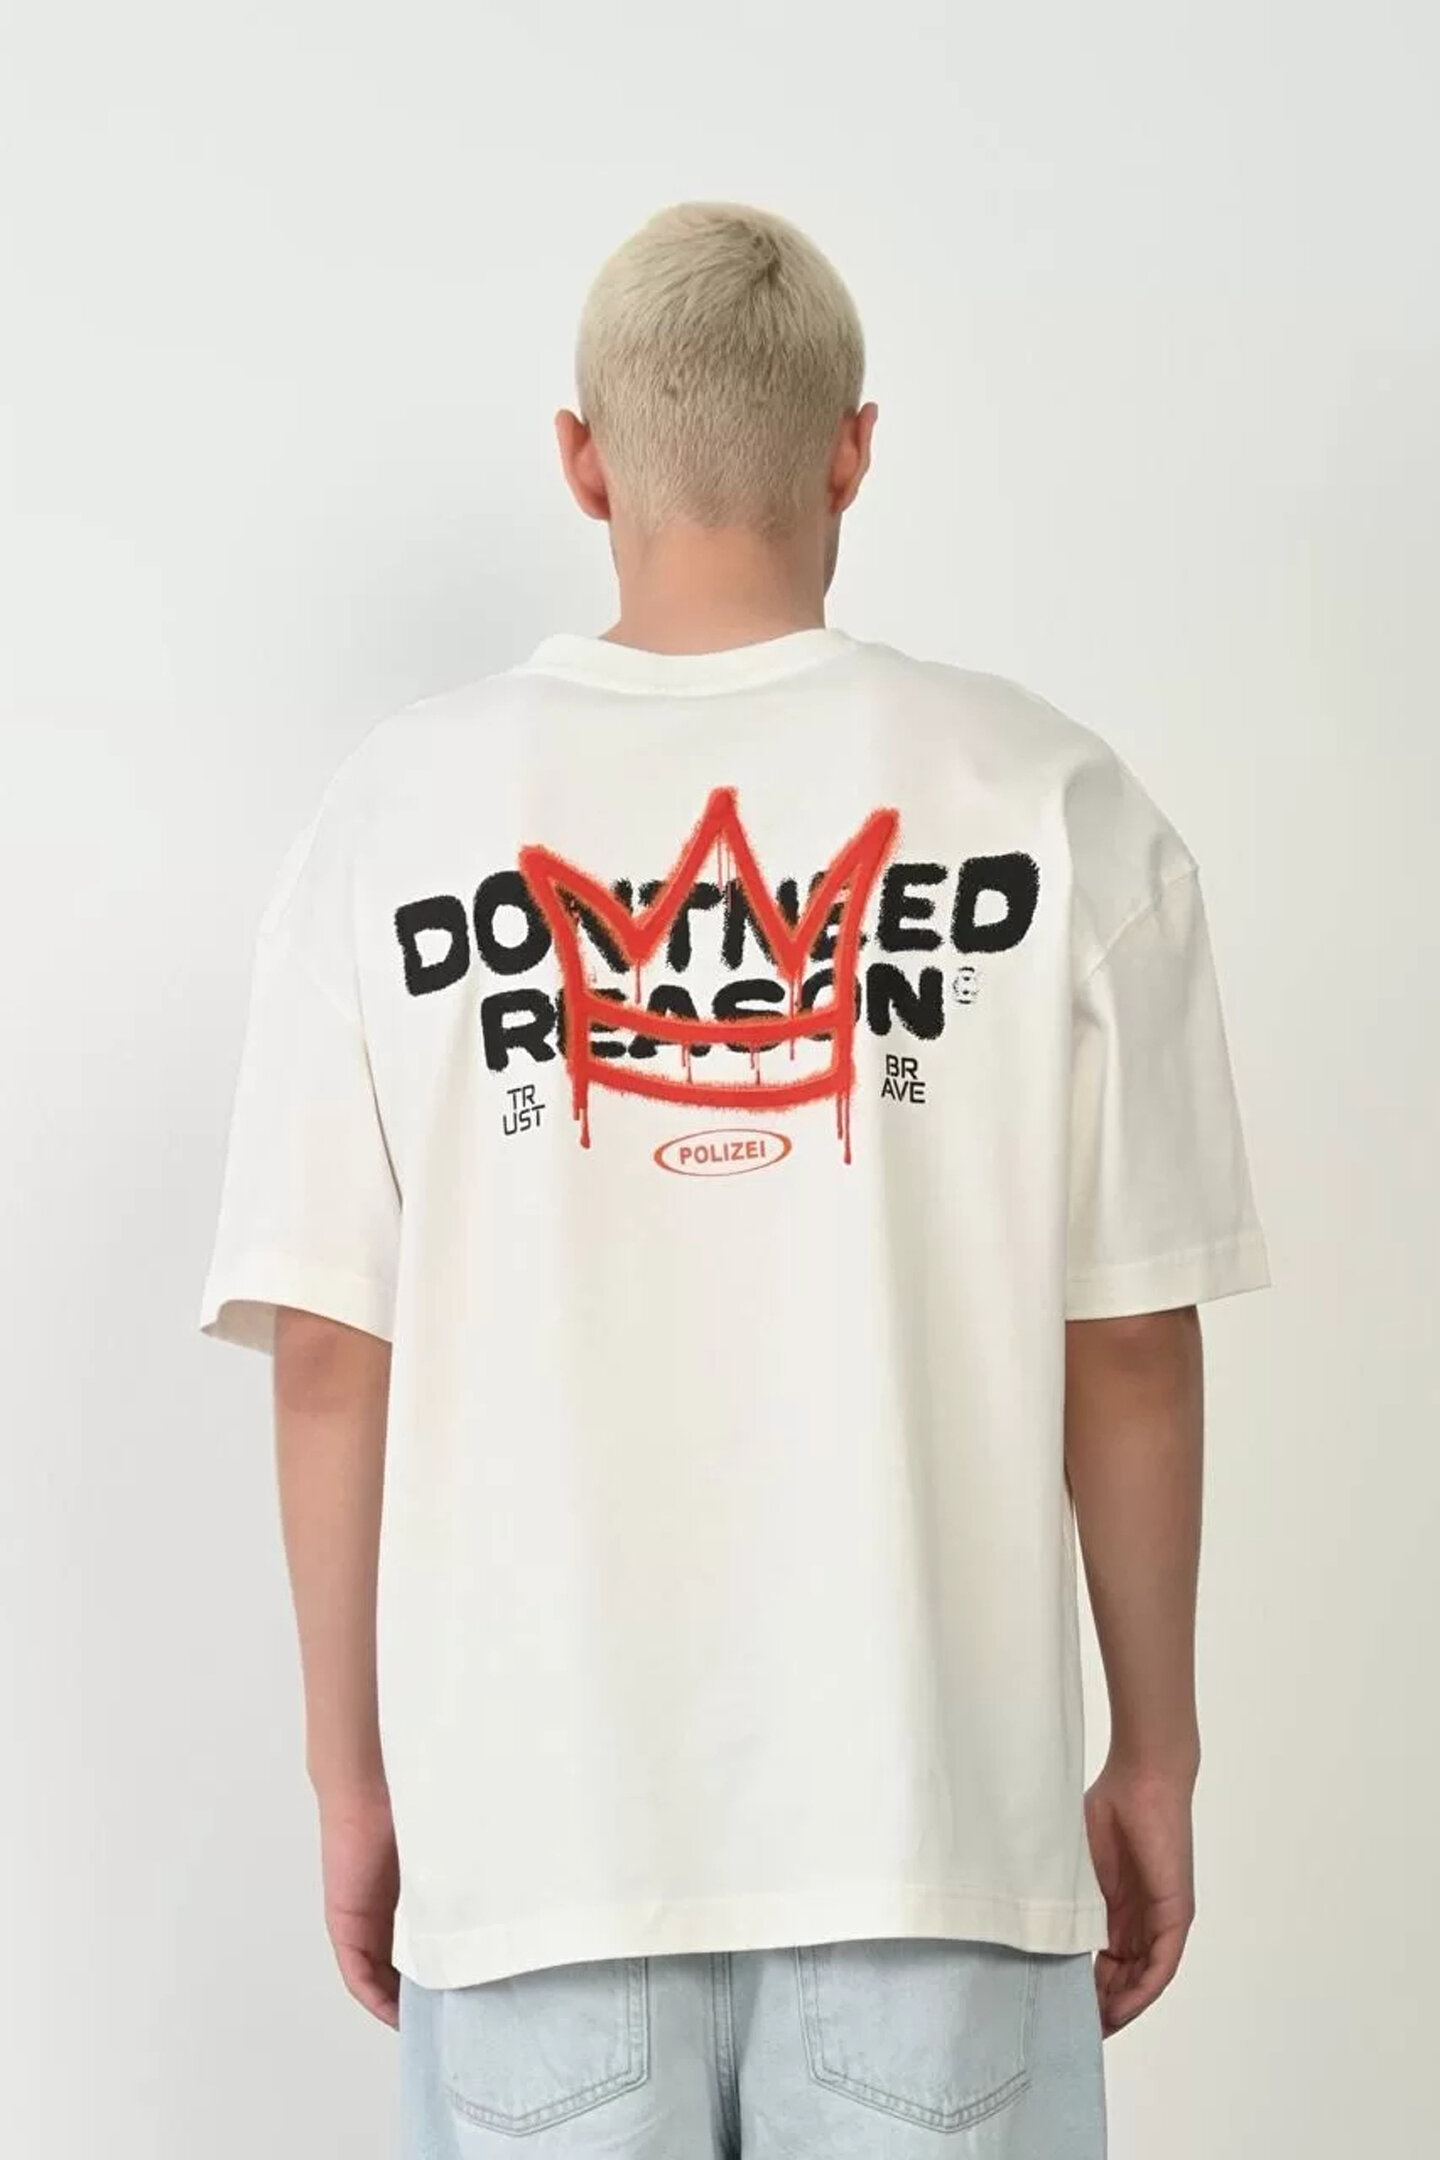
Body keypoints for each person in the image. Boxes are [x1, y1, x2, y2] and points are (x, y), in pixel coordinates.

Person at [198, 201, 1270, 2159]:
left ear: (582, 458)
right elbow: (1129, 1343)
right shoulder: (1049, 801)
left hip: (537, 1856)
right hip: (935, 1843)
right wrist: (1158, 1752)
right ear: (852, 448)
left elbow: (331, 1353)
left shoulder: (393, 822)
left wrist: (350, 1781)